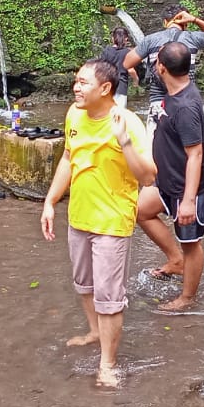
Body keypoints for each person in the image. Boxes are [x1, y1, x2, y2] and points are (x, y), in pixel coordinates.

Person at [41, 60, 155, 388]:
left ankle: (108, 363)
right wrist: (50, 203)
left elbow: (148, 176)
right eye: (76, 81)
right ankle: (94, 332)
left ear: (105, 89)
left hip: (112, 221)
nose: (76, 88)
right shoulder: (74, 114)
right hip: (79, 216)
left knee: (108, 297)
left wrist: (125, 142)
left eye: (83, 82)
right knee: (84, 285)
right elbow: (68, 158)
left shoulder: (127, 122)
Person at [137, 42, 204, 311]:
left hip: (187, 186)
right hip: (167, 179)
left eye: (157, 61)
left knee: (191, 243)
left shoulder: (184, 107)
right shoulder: (173, 89)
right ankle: (175, 261)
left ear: (162, 68)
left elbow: (195, 155)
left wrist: (188, 201)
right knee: (141, 211)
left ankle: (187, 298)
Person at [122, 5, 204, 124]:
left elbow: (127, 63)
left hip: (158, 103)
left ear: (165, 22)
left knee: (157, 141)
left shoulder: (150, 40)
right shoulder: (192, 38)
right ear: (185, 23)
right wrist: (194, 19)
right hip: (186, 102)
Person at [101, 26, 138, 109]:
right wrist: (136, 81)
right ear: (126, 39)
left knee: (107, 114)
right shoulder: (127, 53)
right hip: (121, 88)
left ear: (113, 39)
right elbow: (131, 70)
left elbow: (101, 68)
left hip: (108, 87)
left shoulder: (107, 50)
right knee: (119, 115)